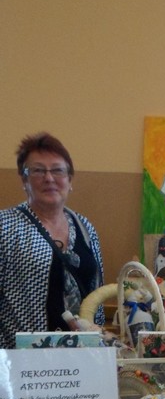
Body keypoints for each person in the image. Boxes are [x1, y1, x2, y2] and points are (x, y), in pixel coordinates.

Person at [0, 133, 104, 349]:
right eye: (38, 170)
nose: (49, 178)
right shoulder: (5, 226)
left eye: (57, 170)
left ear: (70, 180)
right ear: (24, 180)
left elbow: (97, 294)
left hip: (82, 356)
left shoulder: (85, 227)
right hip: (22, 360)